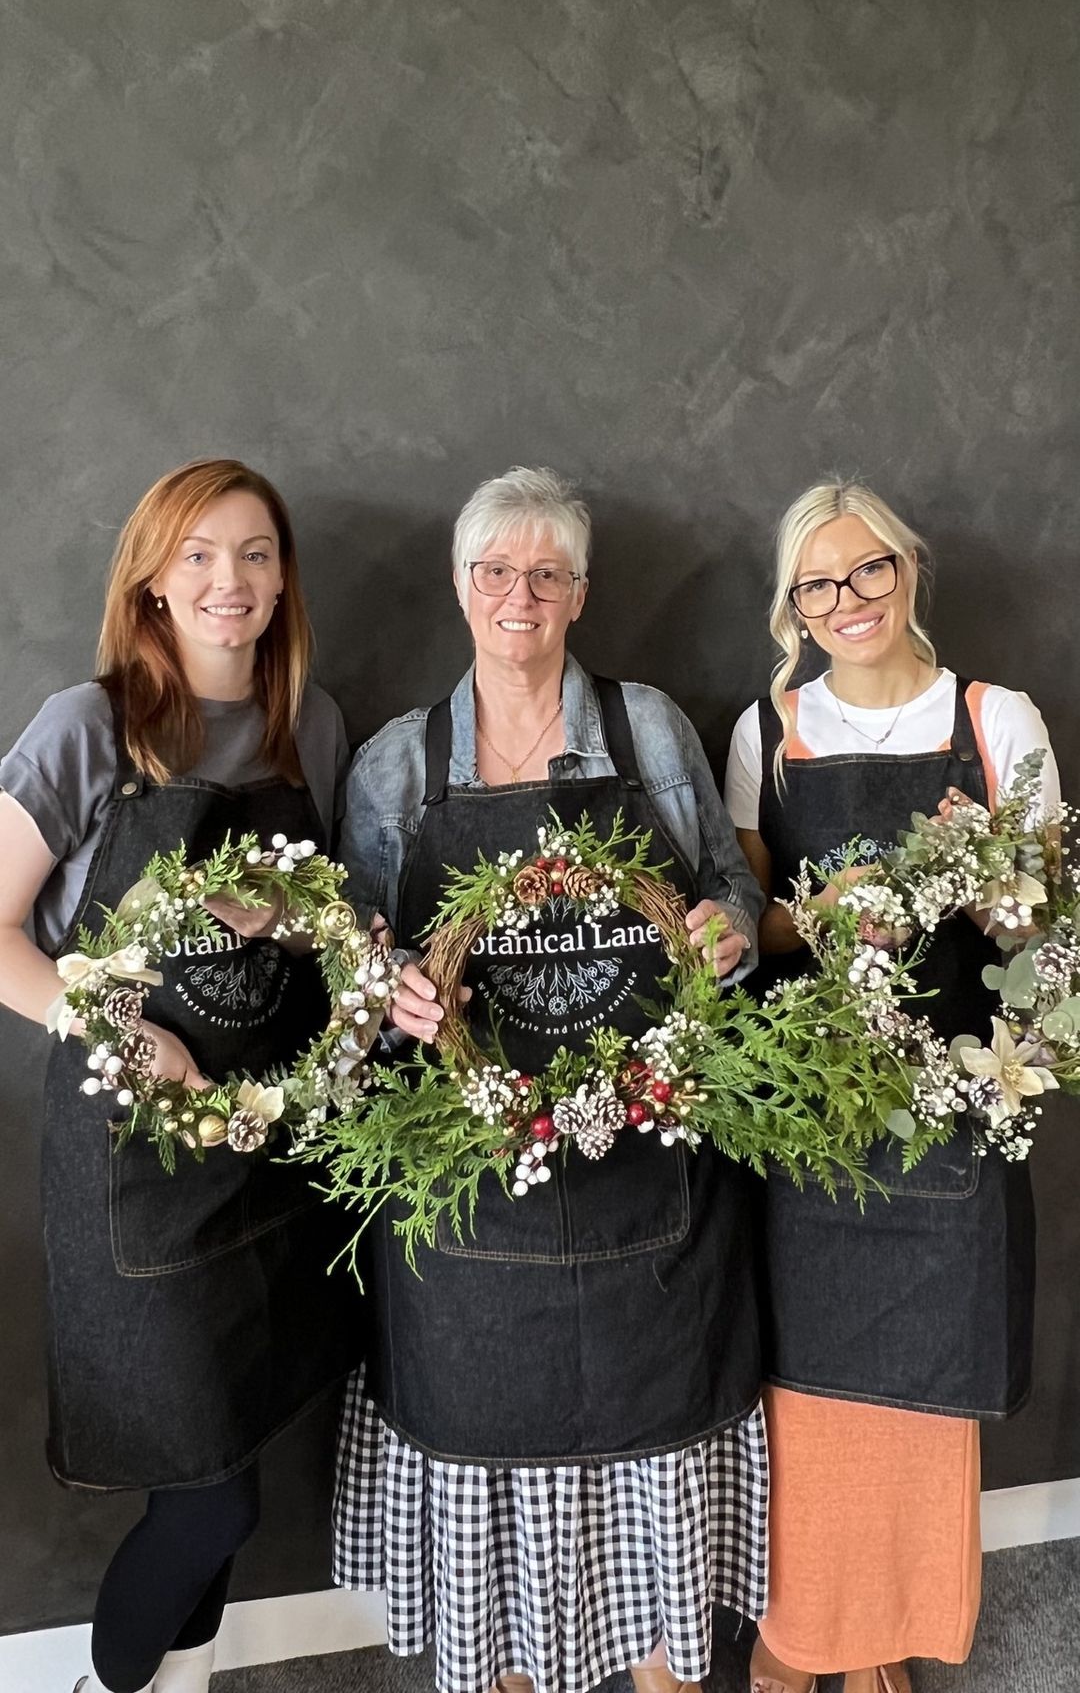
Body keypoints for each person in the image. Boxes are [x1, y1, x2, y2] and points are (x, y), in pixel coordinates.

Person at [335, 465, 767, 1693]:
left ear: (579, 593)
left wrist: (725, 935)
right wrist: (393, 994)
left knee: (656, 1468)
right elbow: (350, 954)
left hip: (651, 1186)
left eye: (546, 573)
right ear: (460, 586)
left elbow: (727, 891)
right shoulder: (393, 767)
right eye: (494, 571)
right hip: (477, 1209)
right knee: (495, 1488)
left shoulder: (648, 730)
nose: (517, 595)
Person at [0, 459, 355, 1693]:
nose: (229, 580)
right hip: (129, 1167)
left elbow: (332, 924)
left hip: (256, 1147)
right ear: (152, 579)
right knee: (206, 1500)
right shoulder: (85, 726)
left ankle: (179, 1683)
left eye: (255, 553)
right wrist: (121, 1032)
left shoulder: (311, 726)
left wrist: (285, 922)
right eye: (199, 554)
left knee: (232, 1455)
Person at [724, 480, 1059, 1693]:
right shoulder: (769, 730)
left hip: (956, 1108)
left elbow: (1044, 925)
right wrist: (814, 916)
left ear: (909, 570)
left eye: (867, 571)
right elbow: (742, 926)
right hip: (813, 1112)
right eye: (817, 584)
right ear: (793, 608)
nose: (846, 601)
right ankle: (802, 1640)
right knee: (807, 1402)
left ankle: (877, 1641)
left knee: (922, 1399)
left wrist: (986, 886)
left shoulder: (996, 720)